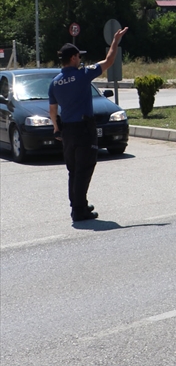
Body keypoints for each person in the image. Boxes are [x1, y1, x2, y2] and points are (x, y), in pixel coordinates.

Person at [49, 26, 129, 223]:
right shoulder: (82, 74)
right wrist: (115, 42)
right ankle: (79, 211)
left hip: (67, 130)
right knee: (84, 169)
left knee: (73, 170)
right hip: (84, 130)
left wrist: (56, 129)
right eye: (79, 56)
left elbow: (52, 110)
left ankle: (79, 203)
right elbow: (109, 61)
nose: (80, 59)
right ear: (74, 58)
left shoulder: (54, 82)